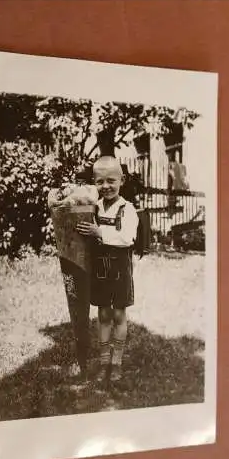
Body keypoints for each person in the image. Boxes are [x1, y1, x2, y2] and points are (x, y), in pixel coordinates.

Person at [76, 156, 139, 382]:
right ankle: (104, 362)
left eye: (111, 180)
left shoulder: (128, 209)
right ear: (94, 182)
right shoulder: (93, 207)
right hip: (100, 271)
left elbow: (127, 238)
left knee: (119, 314)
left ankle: (117, 362)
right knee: (103, 314)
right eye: (100, 182)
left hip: (120, 271)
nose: (106, 186)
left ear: (122, 180)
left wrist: (99, 232)